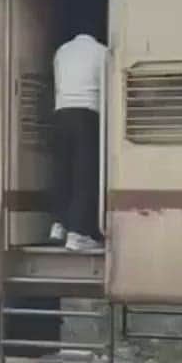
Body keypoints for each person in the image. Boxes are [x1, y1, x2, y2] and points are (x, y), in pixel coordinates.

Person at [50, 30, 107, 252]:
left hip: (61, 113)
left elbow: (58, 84)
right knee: (85, 174)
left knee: (62, 171)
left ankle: (59, 224)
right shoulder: (102, 52)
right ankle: (79, 233)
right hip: (87, 115)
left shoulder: (62, 51)